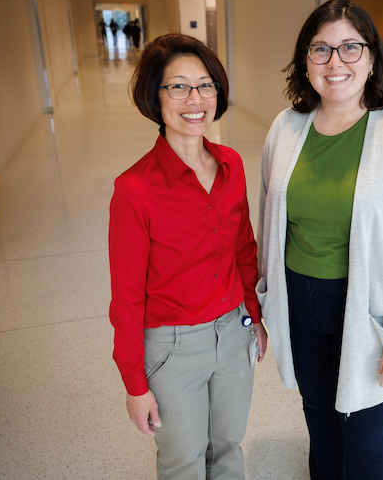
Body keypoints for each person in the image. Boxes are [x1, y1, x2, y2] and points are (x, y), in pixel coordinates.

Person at [256, 0, 383, 479]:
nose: (334, 62)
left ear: (373, 58)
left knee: (363, 426)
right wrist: (263, 300)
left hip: (366, 303)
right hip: (301, 297)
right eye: (320, 49)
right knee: (318, 411)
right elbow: (270, 218)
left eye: (349, 48)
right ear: (305, 61)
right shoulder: (286, 128)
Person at [109, 33, 268, 479]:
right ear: (154, 98)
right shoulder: (134, 191)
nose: (194, 99)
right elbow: (125, 299)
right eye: (178, 86)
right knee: (183, 461)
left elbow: (243, 250)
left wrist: (254, 318)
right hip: (172, 348)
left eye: (205, 85)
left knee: (229, 448)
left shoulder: (232, 164)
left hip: (233, 332)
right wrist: (135, 385)